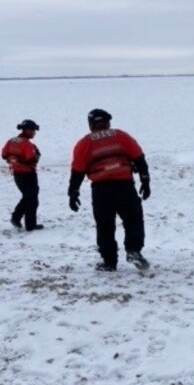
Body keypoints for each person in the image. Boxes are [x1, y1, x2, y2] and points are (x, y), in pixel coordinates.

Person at [67, 109, 151, 272]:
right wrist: (145, 180)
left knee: (105, 226)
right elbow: (139, 158)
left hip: (101, 190)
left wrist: (73, 192)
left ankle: (109, 262)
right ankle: (133, 250)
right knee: (133, 219)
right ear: (108, 122)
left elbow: (77, 170)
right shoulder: (121, 136)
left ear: (91, 125)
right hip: (124, 186)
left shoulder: (84, 143)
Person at [1, 119, 43, 231]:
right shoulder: (27, 144)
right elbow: (32, 160)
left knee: (28, 198)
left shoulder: (11, 141)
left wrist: (14, 159)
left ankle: (16, 218)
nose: (34, 133)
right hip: (28, 175)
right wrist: (37, 155)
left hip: (17, 175)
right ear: (27, 130)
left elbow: (4, 155)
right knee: (32, 200)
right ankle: (30, 225)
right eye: (33, 130)